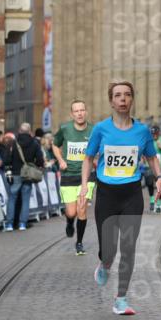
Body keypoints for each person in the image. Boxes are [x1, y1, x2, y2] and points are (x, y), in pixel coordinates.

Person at [81, 80, 161, 316]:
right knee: (110, 250)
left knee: (128, 248)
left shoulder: (142, 131)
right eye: (118, 95)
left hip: (131, 195)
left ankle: (121, 299)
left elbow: (151, 157)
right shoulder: (100, 129)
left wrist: (159, 177)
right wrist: (84, 187)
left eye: (127, 95)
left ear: (132, 99)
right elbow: (88, 158)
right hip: (106, 194)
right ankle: (105, 263)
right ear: (111, 101)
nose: (123, 99)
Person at [53, 100, 94, 255]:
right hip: (69, 174)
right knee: (72, 212)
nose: (79, 113)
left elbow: (99, 147)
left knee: (82, 208)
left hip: (86, 176)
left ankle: (79, 242)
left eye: (82, 110)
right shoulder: (65, 129)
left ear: (86, 111)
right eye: (76, 111)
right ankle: (70, 222)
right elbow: (55, 145)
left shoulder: (93, 129)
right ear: (72, 114)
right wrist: (61, 160)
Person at [0, 122, 44, 231]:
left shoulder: (13, 143)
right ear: (30, 131)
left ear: (19, 131)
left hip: (15, 173)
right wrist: (35, 165)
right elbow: (40, 160)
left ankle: (9, 224)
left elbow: (6, 159)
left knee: (12, 199)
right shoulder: (34, 144)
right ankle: (22, 224)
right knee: (25, 200)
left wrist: (9, 168)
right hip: (28, 174)